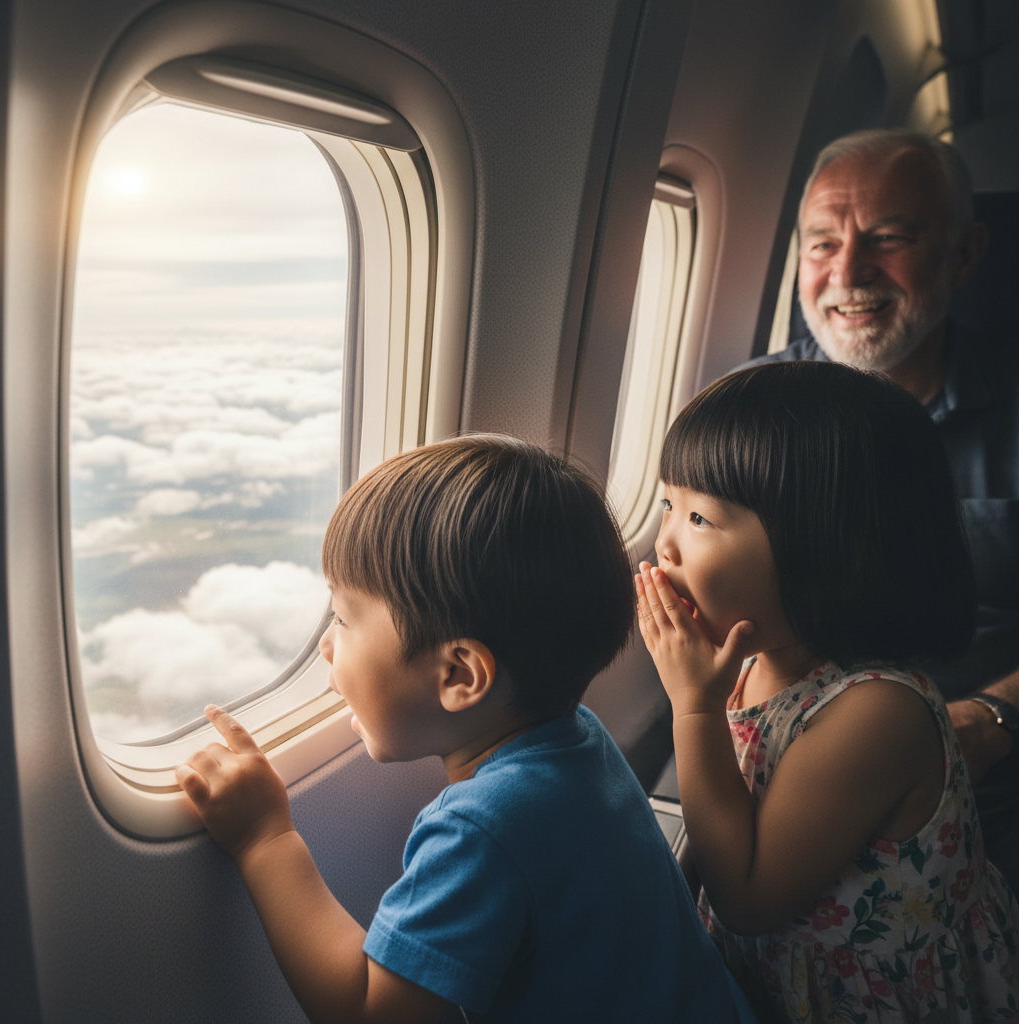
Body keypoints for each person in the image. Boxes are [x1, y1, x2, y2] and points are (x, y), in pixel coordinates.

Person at [176, 435, 756, 1024]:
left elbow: (369, 1013)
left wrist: (267, 841)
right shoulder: (583, 740)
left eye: (345, 619)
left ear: (459, 675)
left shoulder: (481, 831)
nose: (326, 644)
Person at [636, 362, 1019, 1023]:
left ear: (834, 561)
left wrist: (693, 704)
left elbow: (749, 900)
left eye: (699, 517)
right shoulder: (753, 661)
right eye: (668, 503)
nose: (663, 542)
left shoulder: (877, 714)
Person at [745, 127, 1019, 890]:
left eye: (889, 238)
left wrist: (996, 720)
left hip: (987, 778)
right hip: (782, 769)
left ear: (964, 254)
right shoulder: (748, 416)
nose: (849, 272)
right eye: (822, 244)